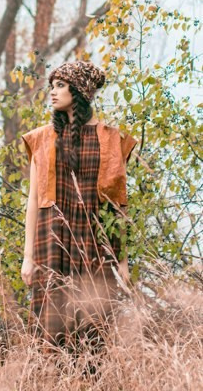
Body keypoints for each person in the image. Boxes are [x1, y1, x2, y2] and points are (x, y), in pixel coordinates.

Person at [20, 60, 137, 354]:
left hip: (93, 246)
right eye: (52, 86)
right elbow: (34, 201)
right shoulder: (42, 138)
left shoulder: (112, 139)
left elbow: (117, 205)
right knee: (50, 335)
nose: (53, 92)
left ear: (80, 91)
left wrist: (121, 260)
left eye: (60, 85)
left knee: (93, 336)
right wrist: (27, 257)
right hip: (51, 247)